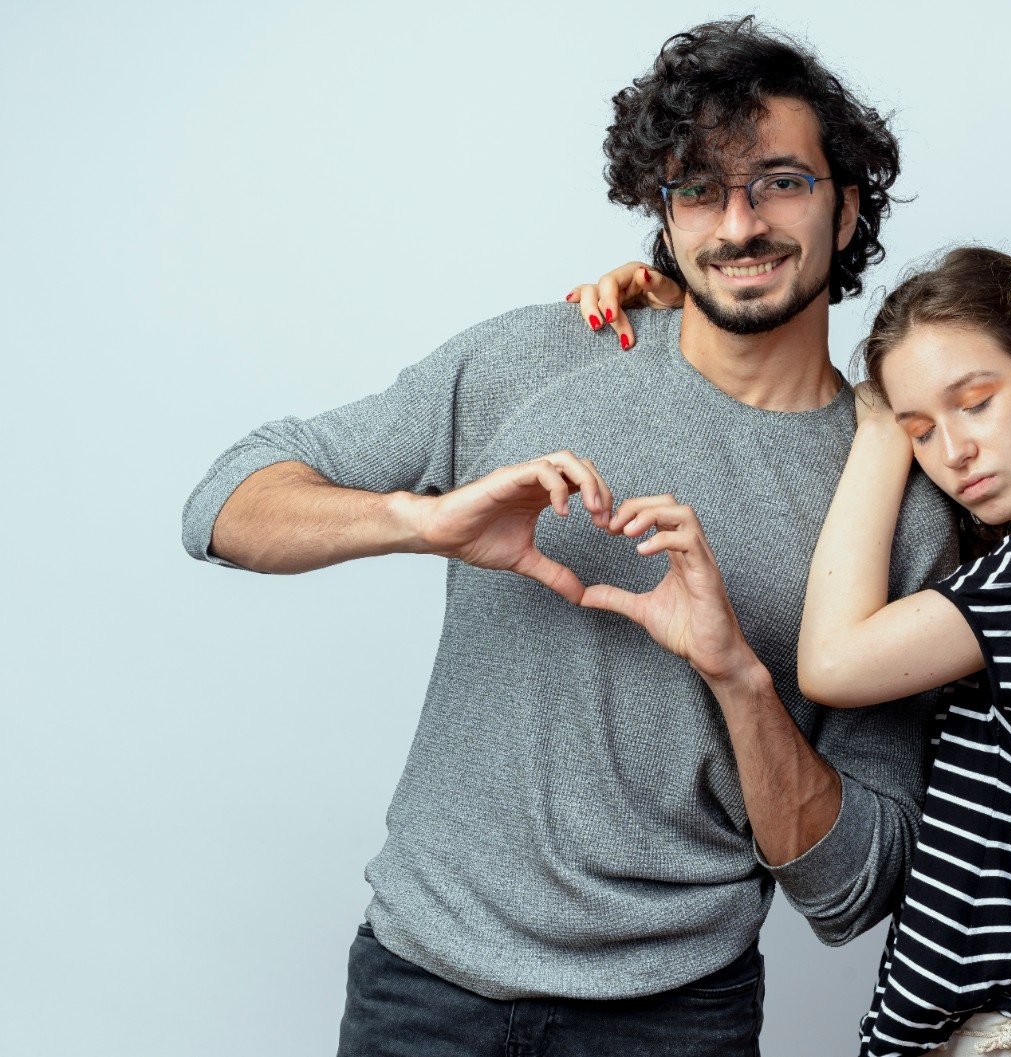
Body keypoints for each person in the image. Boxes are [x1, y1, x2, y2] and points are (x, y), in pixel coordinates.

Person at [180, 17, 960, 1057]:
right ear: (664, 215)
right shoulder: (536, 357)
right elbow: (224, 505)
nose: (740, 223)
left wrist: (738, 676)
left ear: (847, 204)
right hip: (423, 988)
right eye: (698, 189)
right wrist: (419, 521)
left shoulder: (895, 500)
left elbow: (855, 884)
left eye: (780, 181)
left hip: (674, 1017)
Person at [575, 245, 1011, 1056]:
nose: (954, 451)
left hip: (1010, 1035)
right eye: (922, 431)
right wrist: (695, 325)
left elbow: (832, 661)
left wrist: (877, 427)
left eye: (976, 402)